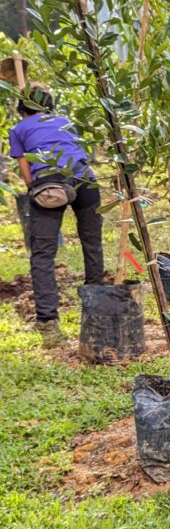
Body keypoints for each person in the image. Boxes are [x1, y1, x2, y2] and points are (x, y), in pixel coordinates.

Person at [6, 77, 104, 341]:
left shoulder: (18, 129)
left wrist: (32, 189)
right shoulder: (64, 122)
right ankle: (97, 305)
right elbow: (81, 151)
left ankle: (48, 321)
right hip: (86, 180)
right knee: (92, 244)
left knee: (42, 255)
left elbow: (24, 165)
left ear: (22, 106)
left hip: (50, 182)